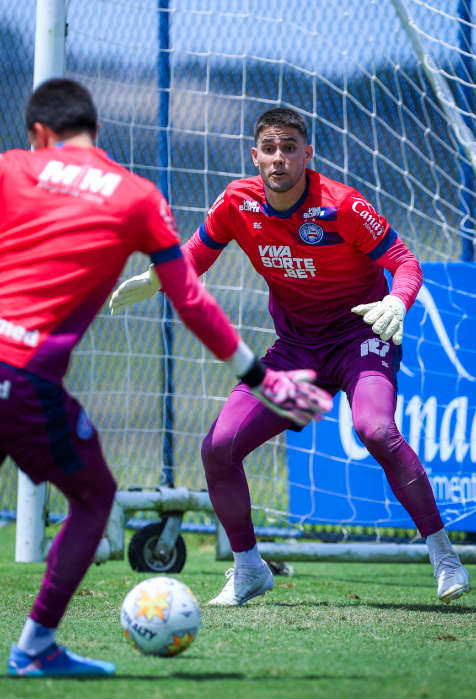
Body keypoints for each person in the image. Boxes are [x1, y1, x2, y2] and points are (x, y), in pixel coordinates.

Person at [0, 82, 332, 685]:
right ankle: (35, 646)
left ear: (39, 135)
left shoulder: (11, 165)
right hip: (20, 378)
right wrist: (260, 378)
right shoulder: (136, 197)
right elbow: (191, 300)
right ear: (93, 133)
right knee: (93, 498)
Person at [110, 106, 471, 607]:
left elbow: (404, 262)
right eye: (270, 149)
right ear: (255, 155)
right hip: (297, 351)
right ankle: (249, 568)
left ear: (307, 153)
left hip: (359, 337)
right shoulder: (238, 202)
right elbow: (196, 252)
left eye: (289, 148)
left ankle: (443, 555)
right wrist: (157, 276)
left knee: (375, 429)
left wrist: (396, 300)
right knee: (218, 448)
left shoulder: (342, 206)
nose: (279, 159)